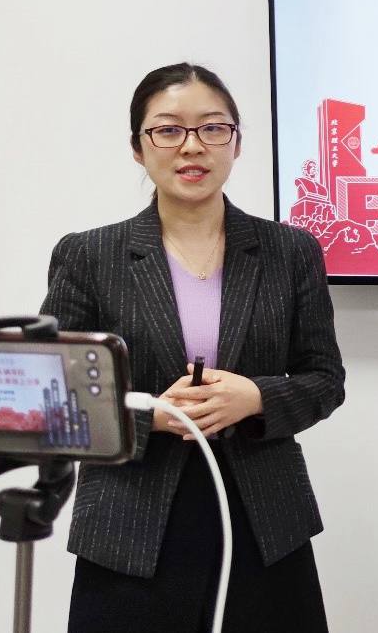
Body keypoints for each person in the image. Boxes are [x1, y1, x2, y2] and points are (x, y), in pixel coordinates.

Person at [41, 63, 344, 632]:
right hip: (129, 525)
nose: (192, 146)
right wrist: (153, 415)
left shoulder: (289, 251)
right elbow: (57, 395)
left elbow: (325, 379)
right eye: (168, 129)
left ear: (237, 142)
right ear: (138, 148)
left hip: (264, 521)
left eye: (212, 128)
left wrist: (256, 398)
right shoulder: (90, 256)